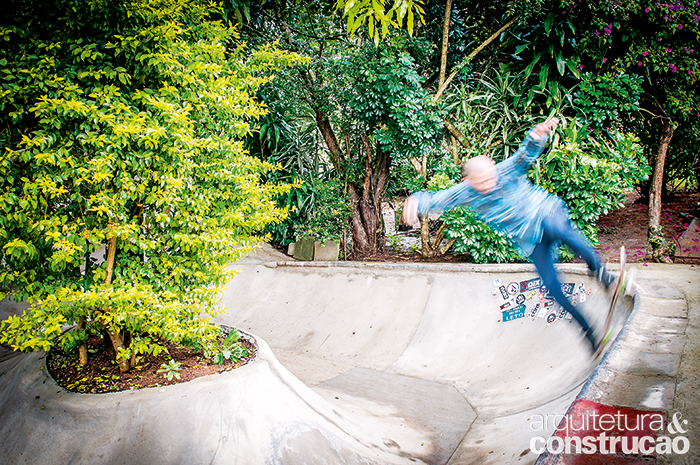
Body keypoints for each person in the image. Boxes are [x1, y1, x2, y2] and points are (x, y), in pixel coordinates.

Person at [402, 118, 616, 354]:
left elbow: (525, 156)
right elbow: (436, 199)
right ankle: (591, 335)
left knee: (560, 230)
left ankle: (603, 275)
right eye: (482, 183)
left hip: (545, 213)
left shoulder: (506, 170)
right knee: (553, 289)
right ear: (468, 182)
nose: (490, 184)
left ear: (495, 168)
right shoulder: (464, 193)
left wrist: (536, 136)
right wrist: (415, 200)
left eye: (491, 177)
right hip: (531, 241)